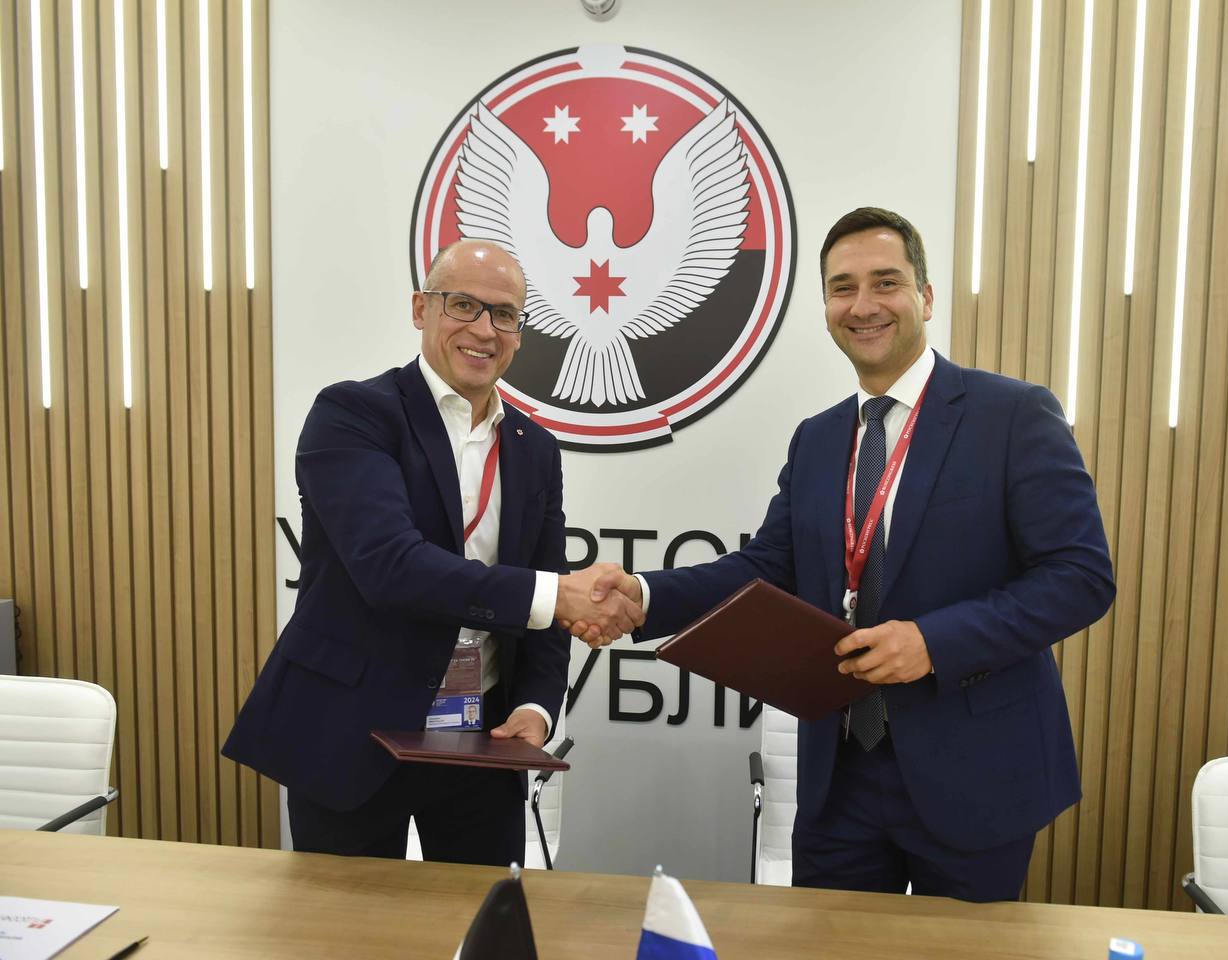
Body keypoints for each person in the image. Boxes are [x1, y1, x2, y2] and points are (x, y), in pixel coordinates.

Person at [574, 208, 1115, 901]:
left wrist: (934, 642)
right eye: (842, 288)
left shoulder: (1013, 416)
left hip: (976, 772)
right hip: (841, 778)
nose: (863, 306)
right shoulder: (819, 439)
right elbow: (766, 569)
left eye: (885, 283)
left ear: (926, 297)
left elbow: (1079, 576)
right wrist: (644, 596)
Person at [224, 239, 640, 864]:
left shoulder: (534, 448)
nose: (484, 330)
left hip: (481, 740)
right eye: (463, 305)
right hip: (353, 731)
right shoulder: (353, 414)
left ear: (520, 333)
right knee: (347, 918)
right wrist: (558, 595)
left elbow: (544, 601)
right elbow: (390, 567)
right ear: (421, 308)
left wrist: (535, 706)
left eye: (504, 314)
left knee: (481, 913)